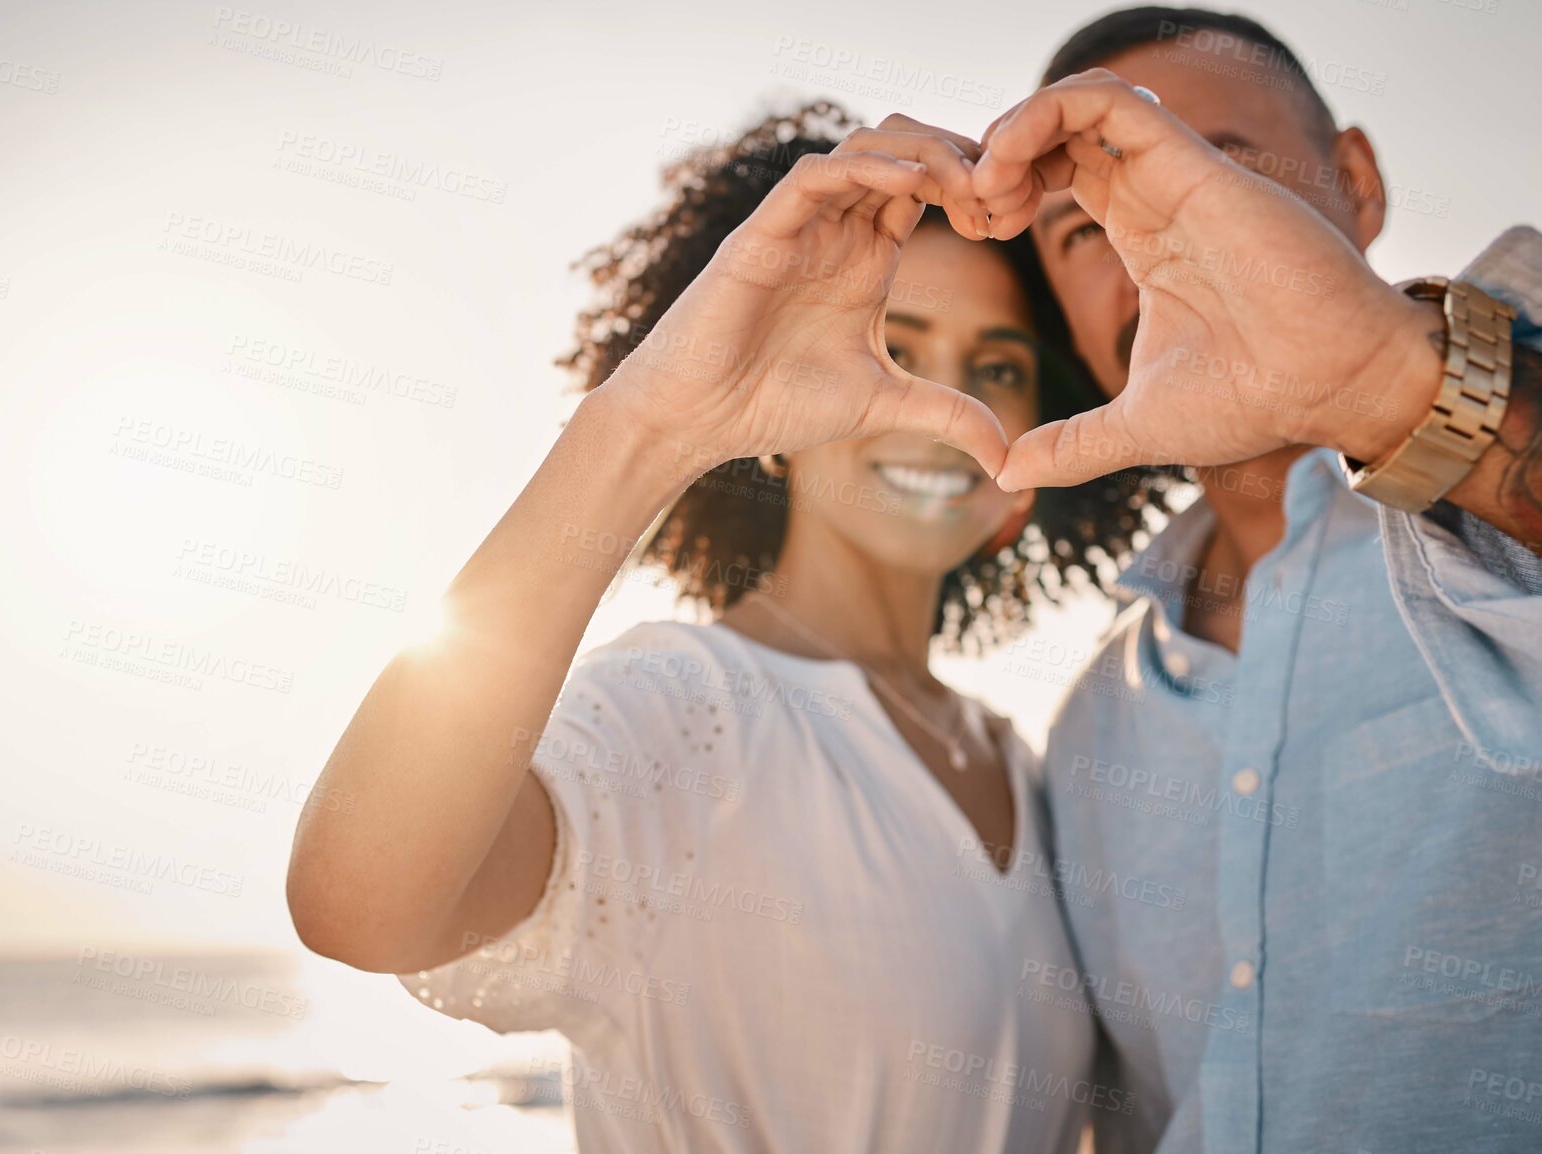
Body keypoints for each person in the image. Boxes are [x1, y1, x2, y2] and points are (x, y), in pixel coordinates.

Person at [286, 104, 1162, 1152]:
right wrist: (651, 422)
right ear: (787, 421)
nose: (942, 402)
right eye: (898, 347)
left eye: (999, 367)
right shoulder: (686, 709)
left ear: (1024, 472)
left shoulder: (1030, 765)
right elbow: (359, 902)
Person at [836, 7, 1542, 1152]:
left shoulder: (1500, 525)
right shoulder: (1086, 736)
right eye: (1080, 229)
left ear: (1356, 180)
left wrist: (1386, 380)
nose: (1152, 245)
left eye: (1218, 166)